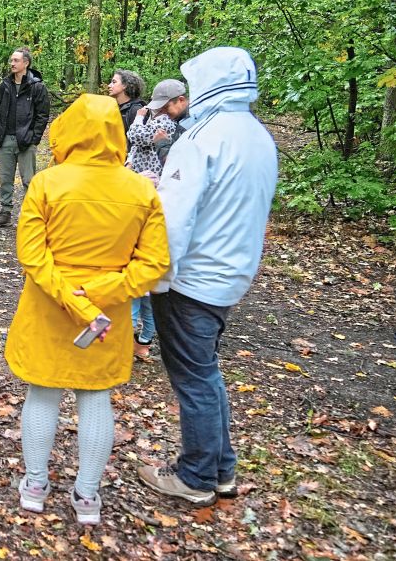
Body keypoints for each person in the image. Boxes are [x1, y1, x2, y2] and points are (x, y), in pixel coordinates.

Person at [5, 94, 169, 526]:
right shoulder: (140, 190)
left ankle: (36, 485)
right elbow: (154, 265)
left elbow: (32, 254)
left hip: (48, 306)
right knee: (96, 397)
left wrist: (73, 294)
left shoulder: (47, 183)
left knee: (42, 391)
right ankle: (87, 496)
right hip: (107, 314)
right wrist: (102, 289)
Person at [138, 47, 277, 506]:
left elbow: (174, 220)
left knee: (193, 378)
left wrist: (155, 276)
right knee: (206, 371)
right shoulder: (257, 136)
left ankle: (195, 476)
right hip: (232, 272)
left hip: (192, 278)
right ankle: (221, 469)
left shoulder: (201, 139)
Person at [124, 79, 183, 361]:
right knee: (144, 287)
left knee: (143, 286)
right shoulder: (162, 120)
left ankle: (141, 338)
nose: (155, 111)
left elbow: (137, 137)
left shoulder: (168, 125)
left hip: (152, 192)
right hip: (140, 186)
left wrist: (138, 118)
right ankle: (139, 337)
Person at [0, 48, 50, 227]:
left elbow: (42, 115)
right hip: (5, 139)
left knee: (28, 180)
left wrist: (34, 138)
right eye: (11, 60)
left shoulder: (37, 86)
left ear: (26, 63)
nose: (12, 64)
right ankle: (5, 213)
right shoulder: (5, 85)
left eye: (16, 61)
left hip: (26, 140)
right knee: (5, 178)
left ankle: (29, 216)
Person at [108, 69, 146, 139]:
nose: (109, 85)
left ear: (125, 85)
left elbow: (139, 139)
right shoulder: (114, 108)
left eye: (114, 82)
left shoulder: (136, 110)